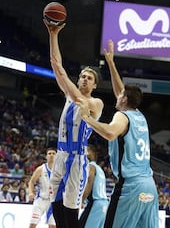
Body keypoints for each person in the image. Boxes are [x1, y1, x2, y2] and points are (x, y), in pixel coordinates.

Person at [76, 39, 159, 228]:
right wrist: (111, 63)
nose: (117, 95)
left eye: (121, 96)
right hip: (149, 187)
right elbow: (120, 90)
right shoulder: (139, 115)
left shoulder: (122, 116)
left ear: (125, 100)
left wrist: (88, 118)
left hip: (130, 187)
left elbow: (111, 133)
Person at [44, 19, 104, 228]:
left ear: (95, 84)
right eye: (82, 76)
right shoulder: (70, 96)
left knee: (71, 213)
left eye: (89, 78)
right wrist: (53, 34)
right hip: (61, 155)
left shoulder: (95, 103)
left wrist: (62, 72)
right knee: (56, 207)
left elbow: (61, 71)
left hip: (77, 160)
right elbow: (55, 64)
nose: (84, 79)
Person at [79, 144, 109, 228]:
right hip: (104, 205)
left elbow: (89, 183)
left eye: (86, 151)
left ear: (92, 153)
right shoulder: (99, 169)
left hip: (95, 204)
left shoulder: (91, 166)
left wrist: (81, 200)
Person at [28, 147, 57, 228]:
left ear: (57, 156)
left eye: (53, 153)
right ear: (46, 156)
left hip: (53, 201)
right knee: (32, 225)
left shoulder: (60, 170)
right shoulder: (41, 169)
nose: (51, 155)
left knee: (53, 226)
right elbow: (31, 181)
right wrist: (30, 192)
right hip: (41, 200)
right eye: (49, 153)